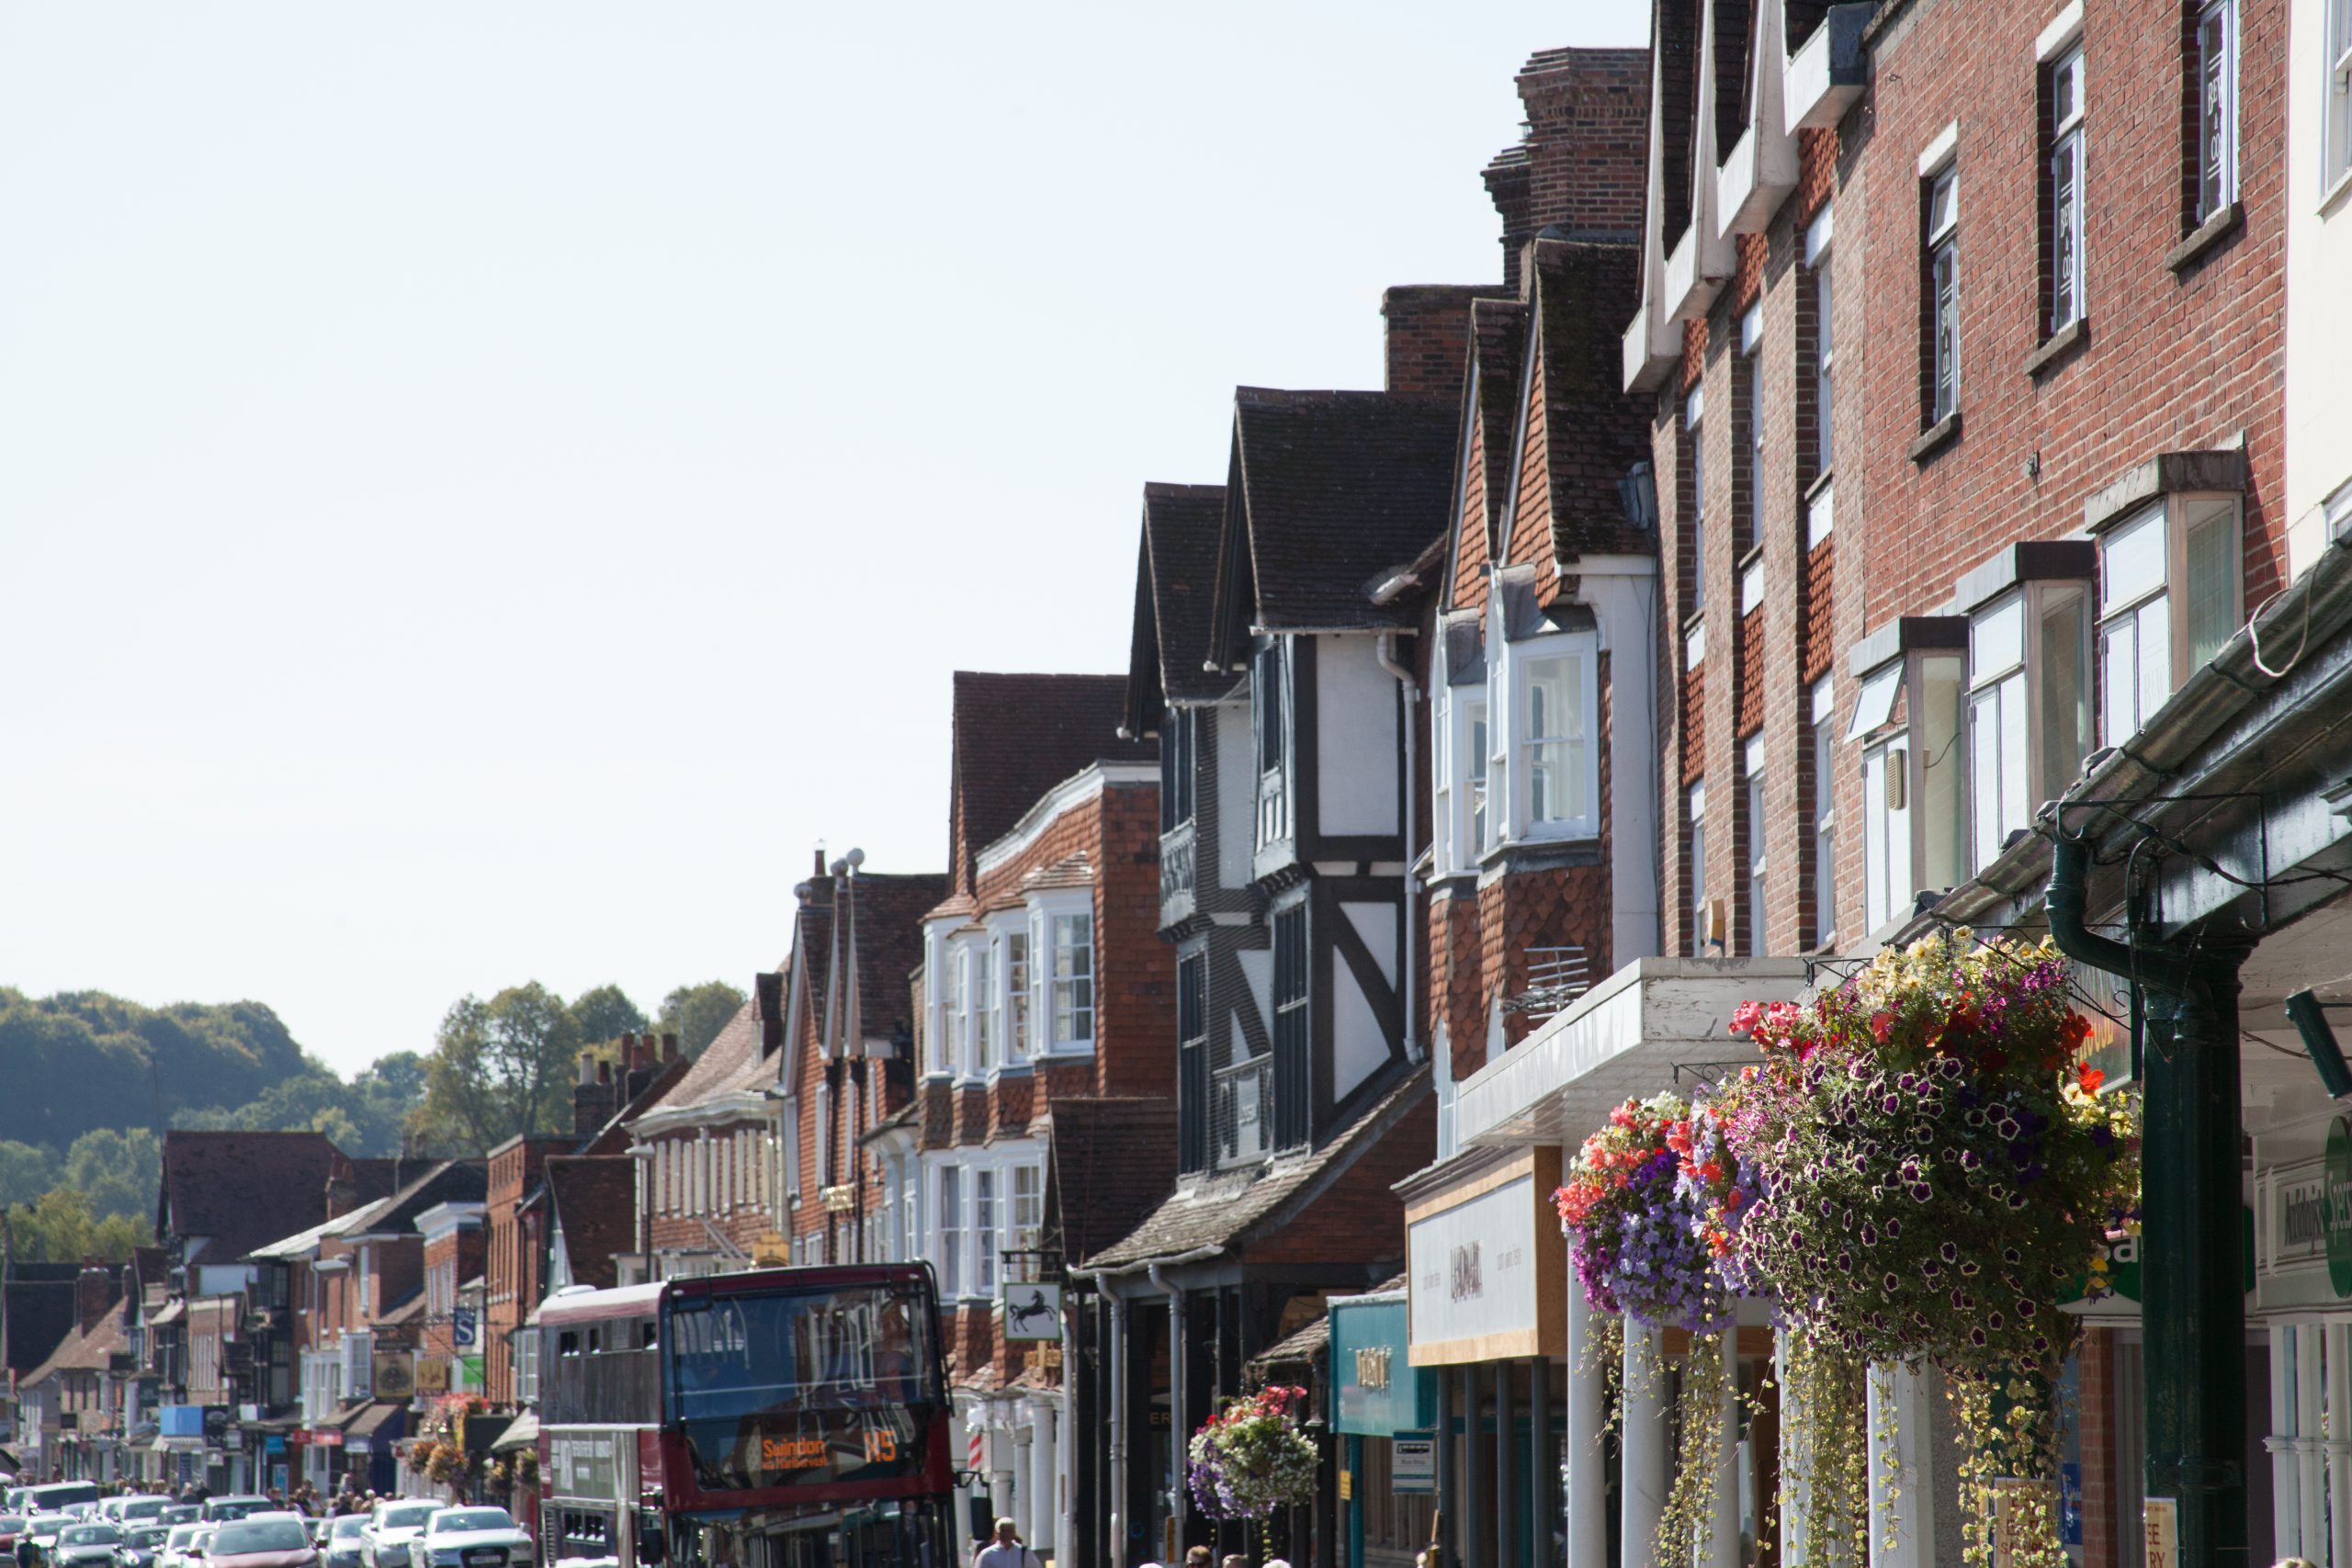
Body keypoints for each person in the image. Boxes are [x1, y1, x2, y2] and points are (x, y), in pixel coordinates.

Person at [970, 1518, 1040, 1568]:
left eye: (1009, 1531)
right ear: (996, 1533)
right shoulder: (987, 1555)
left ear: (1014, 1532)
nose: (1006, 1534)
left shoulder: (1025, 1553)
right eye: (1003, 1531)